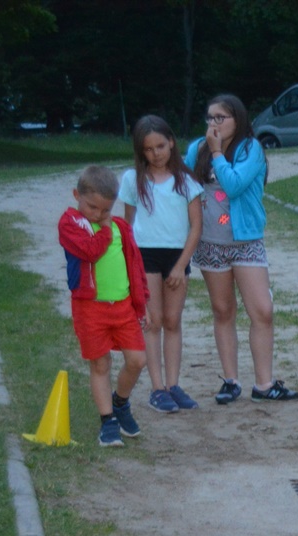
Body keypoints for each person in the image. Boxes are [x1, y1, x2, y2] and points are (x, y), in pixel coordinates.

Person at [184, 93, 298, 405]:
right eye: (210, 117)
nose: (214, 123)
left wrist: (217, 153)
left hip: (246, 242)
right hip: (210, 242)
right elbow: (182, 184)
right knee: (223, 310)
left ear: (238, 119)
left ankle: (264, 384)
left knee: (262, 310)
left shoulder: (251, 148)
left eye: (220, 117)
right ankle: (230, 380)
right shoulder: (197, 149)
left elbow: (234, 185)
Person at [58, 166, 149, 446]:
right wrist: (106, 230)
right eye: (92, 207)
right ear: (77, 195)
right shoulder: (70, 224)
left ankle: (120, 402)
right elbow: (90, 251)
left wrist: (142, 302)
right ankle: (107, 420)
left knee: (137, 360)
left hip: (122, 307)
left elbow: (135, 265)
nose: (98, 215)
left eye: (105, 209)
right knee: (100, 363)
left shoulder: (120, 226)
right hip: (90, 308)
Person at [120, 115, 203, 413]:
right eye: (148, 149)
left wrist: (181, 265)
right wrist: (130, 263)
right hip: (145, 255)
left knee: (172, 320)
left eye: (160, 146)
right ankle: (157, 388)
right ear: (140, 151)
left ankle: (173, 385)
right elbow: (129, 224)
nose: (156, 153)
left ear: (171, 142)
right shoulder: (133, 180)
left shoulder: (187, 181)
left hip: (177, 256)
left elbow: (196, 227)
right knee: (152, 321)